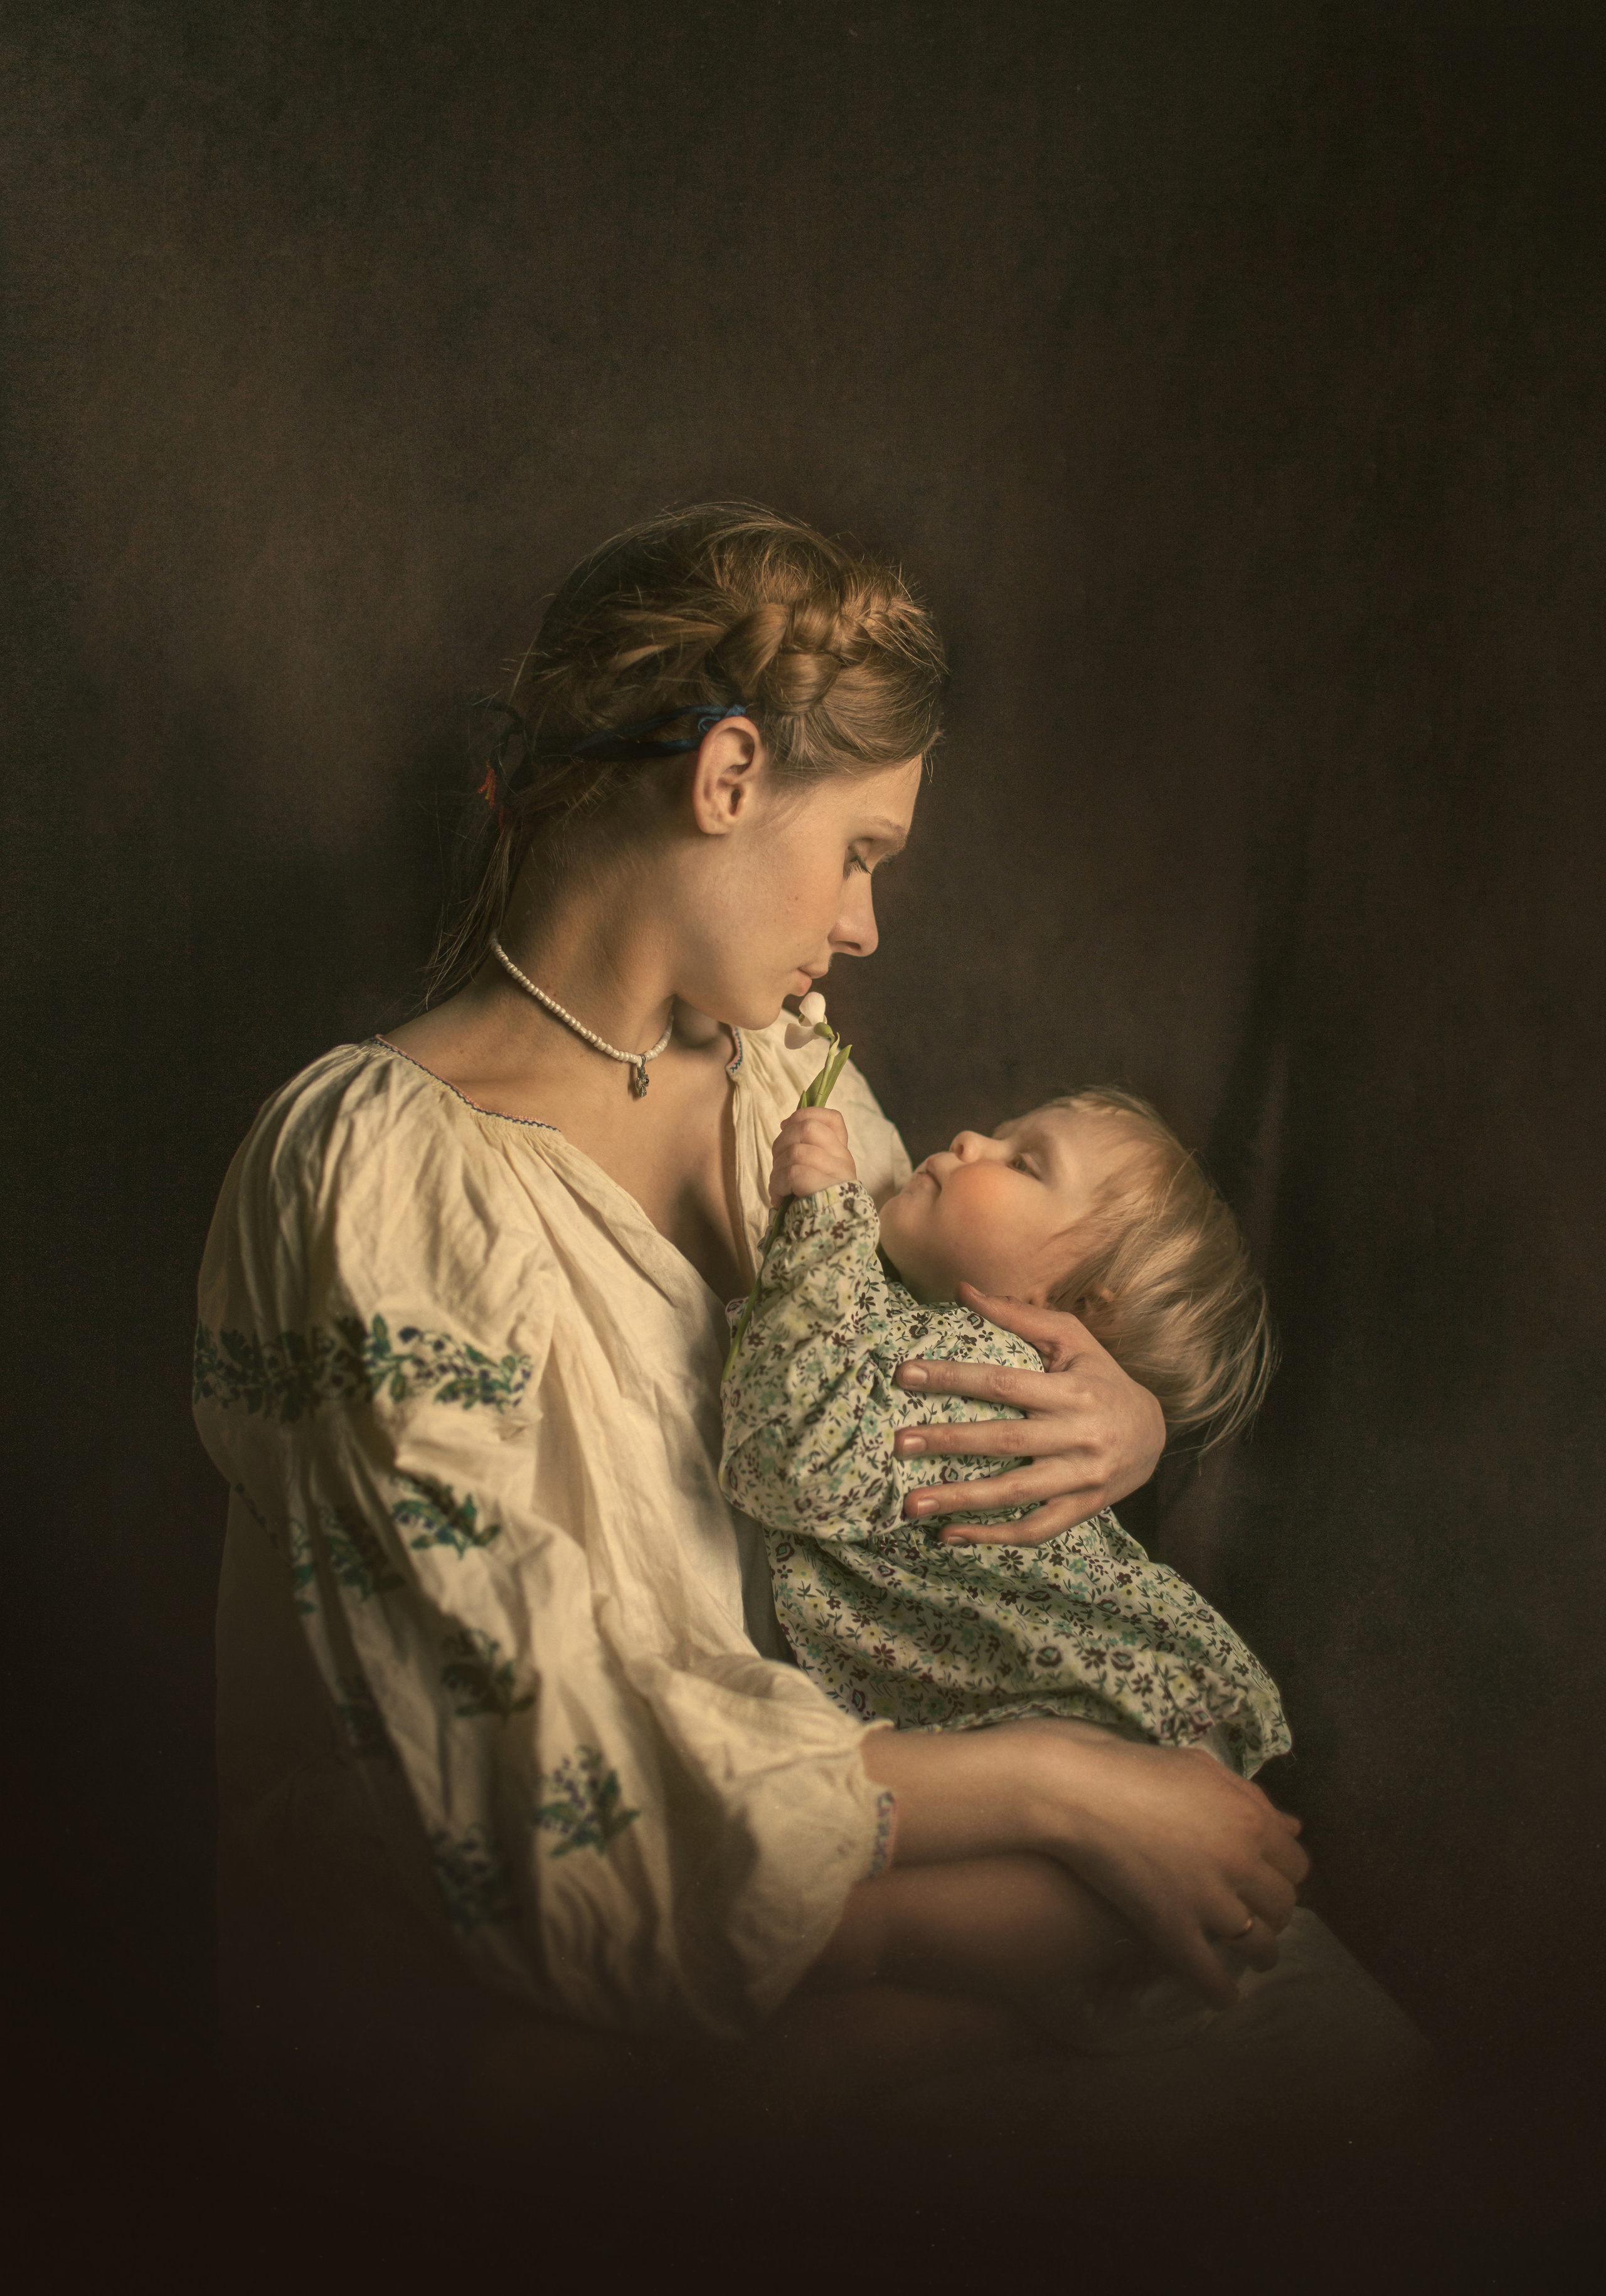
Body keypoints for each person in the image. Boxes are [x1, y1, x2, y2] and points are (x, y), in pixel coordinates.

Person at [194, 500, 1346, 2141]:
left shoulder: (786, 1077)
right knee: (1127, 1877)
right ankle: (790, 2026)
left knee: (1193, 1857)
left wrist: (1124, 1410)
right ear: (727, 780)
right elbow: (533, 1782)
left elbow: (921, 1358)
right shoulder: (375, 1162)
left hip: (790, 1792)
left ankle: (777, 2055)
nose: (866, 925)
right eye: (862, 849)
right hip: (484, 1871)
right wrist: (1063, 1785)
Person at [720, 1083, 1292, 1777]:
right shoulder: (911, 1319)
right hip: (1082, 1725)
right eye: (1002, 1133)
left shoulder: (988, 1374)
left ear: (1073, 1304)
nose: (969, 1141)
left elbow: (792, 1461)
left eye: (1023, 1164)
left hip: (1100, 1722)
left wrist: (822, 1224)